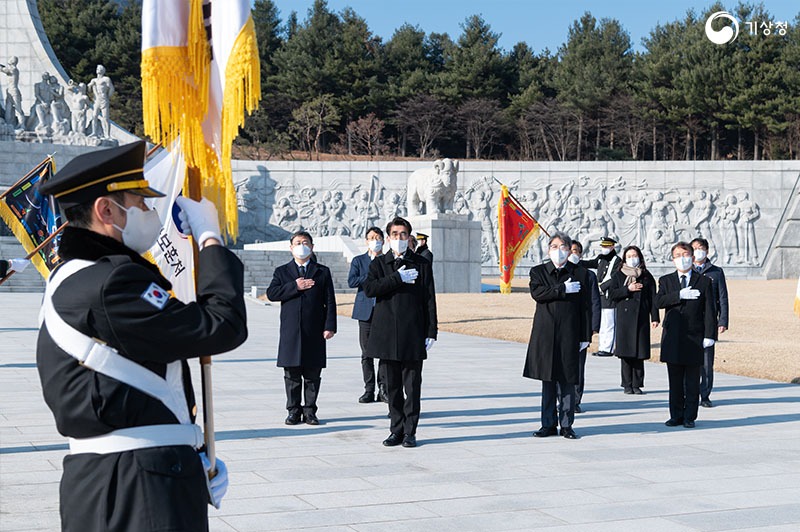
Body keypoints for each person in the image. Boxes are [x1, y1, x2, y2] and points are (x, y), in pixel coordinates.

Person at [35, 140, 247, 531]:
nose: (152, 212)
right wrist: (210, 239)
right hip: (136, 484)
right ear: (106, 209)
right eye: (142, 203)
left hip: (131, 475)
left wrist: (183, 448)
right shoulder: (111, 283)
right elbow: (223, 325)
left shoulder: (75, 277)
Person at [364, 217, 437, 448]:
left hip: (412, 332)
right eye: (394, 234)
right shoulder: (379, 264)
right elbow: (370, 289)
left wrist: (431, 330)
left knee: (412, 387)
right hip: (386, 333)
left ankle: (410, 431)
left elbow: (429, 298)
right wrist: (397, 278)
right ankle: (396, 429)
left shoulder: (421, 263)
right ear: (388, 238)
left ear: (409, 237)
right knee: (392, 387)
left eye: (403, 234)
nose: (399, 238)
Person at [525, 232, 592, 440]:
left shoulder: (580, 273)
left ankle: (566, 424)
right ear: (548, 249)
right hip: (546, 333)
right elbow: (539, 294)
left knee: (567, 381)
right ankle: (547, 424)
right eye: (554, 246)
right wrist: (562, 289)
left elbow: (586, 307)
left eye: (563, 247)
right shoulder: (539, 272)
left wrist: (585, 335)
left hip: (570, 333)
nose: (559, 250)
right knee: (548, 379)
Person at [267, 231, 336, 426]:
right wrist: (294, 286)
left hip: (314, 330)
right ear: (291, 248)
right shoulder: (282, 272)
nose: (301, 246)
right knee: (292, 374)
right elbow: (272, 293)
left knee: (313, 374)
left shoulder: (322, 271)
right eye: (297, 242)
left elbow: (329, 300)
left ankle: (310, 411)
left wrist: (329, 326)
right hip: (291, 331)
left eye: (305, 242)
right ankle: (293, 411)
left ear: (312, 247)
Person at [656, 241, 717, 429]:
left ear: (692, 256)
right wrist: (678, 295)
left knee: (692, 381)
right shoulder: (666, 280)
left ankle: (690, 416)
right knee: (675, 381)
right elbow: (658, 301)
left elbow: (710, 310)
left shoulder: (704, 281)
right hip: (673, 337)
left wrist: (709, 335)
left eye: (685, 254)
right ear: (672, 259)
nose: (682, 259)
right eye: (677, 256)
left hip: (694, 337)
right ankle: (676, 415)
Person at [607, 246, 660, 395]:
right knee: (626, 353)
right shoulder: (618, 275)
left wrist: (654, 317)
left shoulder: (646, 276)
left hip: (641, 316)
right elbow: (611, 294)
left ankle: (637, 383)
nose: (632, 258)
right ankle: (627, 384)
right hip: (625, 317)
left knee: (639, 352)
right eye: (629, 256)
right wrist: (627, 289)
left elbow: (652, 298)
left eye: (634, 255)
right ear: (624, 259)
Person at [348, 226, 387, 404]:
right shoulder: (358, 260)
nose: (375, 240)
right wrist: (370, 273)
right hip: (365, 312)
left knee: (384, 353)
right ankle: (369, 389)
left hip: (384, 310)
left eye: (378, 237)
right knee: (366, 353)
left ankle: (383, 389)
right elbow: (352, 281)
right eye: (372, 238)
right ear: (366, 241)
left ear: (383, 240)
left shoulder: (387, 260)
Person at [691, 237, 729, 408]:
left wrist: (723, 320)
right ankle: (690, 393)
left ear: (707, 250)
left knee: (707, 362)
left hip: (709, 322)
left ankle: (705, 395)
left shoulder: (716, 271)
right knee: (690, 360)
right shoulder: (687, 270)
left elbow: (723, 297)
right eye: (695, 248)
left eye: (701, 248)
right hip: (690, 322)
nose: (698, 251)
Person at [567, 241, 600, 413]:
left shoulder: (589, 275)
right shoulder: (561, 273)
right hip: (564, 326)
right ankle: (562, 399)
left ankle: (576, 400)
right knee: (563, 365)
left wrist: (594, 326)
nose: (573, 253)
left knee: (578, 366)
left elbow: (595, 301)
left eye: (576, 251)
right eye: (570, 250)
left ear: (580, 254)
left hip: (582, 327)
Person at [581, 237, 621, 357]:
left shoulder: (617, 260)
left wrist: (602, 287)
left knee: (609, 323)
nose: (604, 249)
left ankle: (608, 348)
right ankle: (602, 347)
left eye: (606, 246)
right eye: (603, 246)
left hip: (609, 295)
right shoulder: (601, 259)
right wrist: (576, 261)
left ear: (612, 247)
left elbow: (613, 278)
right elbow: (589, 263)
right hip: (600, 296)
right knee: (602, 323)